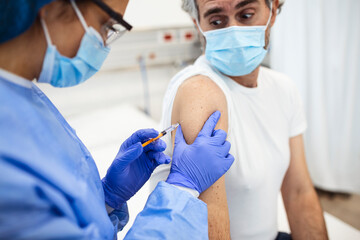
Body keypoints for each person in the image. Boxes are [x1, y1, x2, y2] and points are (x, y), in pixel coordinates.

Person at [0, 0, 235, 239]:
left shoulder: (22, 96)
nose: (103, 43)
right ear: (53, 7)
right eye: (105, 25)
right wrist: (183, 188)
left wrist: (106, 199)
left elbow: (59, 217)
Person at [150, 0, 329, 239]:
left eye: (246, 15)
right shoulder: (200, 91)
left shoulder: (283, 89)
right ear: (198, 24)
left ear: (273, 10)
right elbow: (208, 221)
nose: (233, 30)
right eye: (216, 21)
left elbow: (299, 191)